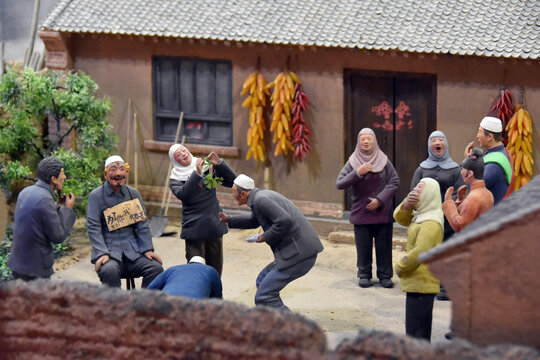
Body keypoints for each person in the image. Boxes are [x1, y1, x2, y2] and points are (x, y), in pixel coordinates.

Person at [218, 174, 324, 310]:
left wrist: (265, 236)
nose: (233, 196)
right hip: (298, 251)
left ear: (243, 194)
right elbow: (254, 221)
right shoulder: (259, 197)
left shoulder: (260, 200)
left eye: (234, 193)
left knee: (264, 296)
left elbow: (284, 221)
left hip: (300, 255)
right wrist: (229, 219)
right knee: (262, 280)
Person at [86, 155, 163, 288]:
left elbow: (142, 224)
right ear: (105, 174)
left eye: (122, 169)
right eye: (113, 169)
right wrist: (101, 253)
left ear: (126, 173)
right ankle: (117, 307)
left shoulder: (133, 194)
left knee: (155, 269)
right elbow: (93, 227)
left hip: (134, 252)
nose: (118, 173)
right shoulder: (96, 196)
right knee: (109, 271)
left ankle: (143, 305)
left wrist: (147, 249)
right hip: (110, 253)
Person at [336, 128, 399, 288]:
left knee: (384, 246)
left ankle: (385, 275)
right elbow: (340, 183)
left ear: (374, 141)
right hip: (361, 212)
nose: (366, 142)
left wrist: (380, 199)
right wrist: (357, 172)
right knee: (363, 247)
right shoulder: (352, 162)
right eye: (363, 139)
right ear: (359, 142)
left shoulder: (383, 161)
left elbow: (394, 181)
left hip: (382, 212)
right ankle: (364, 274)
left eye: (369, 139)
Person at [410, 130, 465, 300]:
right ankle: (428, 283)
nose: (437, 142)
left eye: (441, 140)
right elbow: (414, 190)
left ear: (446, 144)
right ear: (429, 145)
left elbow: (460, 191)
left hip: (447, 217)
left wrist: (447, 205)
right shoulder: (421, 168)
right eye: (434, 140)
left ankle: (446, 286)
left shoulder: (456, 169)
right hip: (427, 217)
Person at [168, 144, 237, 276]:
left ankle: (216, 295)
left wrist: (220, 164)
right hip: (194, 227)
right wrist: (196, 173)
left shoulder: (206, 167)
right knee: (195, 269)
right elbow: (184, 194)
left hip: (213, 223)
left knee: (215, 269)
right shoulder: (175, 179)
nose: (182, 154)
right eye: (178, 155)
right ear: (175, 160)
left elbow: (233, 181)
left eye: (183, 150)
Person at [7, 157, 76, 281]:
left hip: (18, 263)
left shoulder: (26, 191)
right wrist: (67, 210)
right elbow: (58, 236)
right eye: (62, 173)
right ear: (53, 179)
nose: (64, 177)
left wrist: (58, 206)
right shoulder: (45, 199)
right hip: (35, 268)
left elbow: (36, 217)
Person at [393, 178, 444, 342]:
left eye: (420, 187)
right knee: (413, 330)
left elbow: (421, 251)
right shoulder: (421, 215)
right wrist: (406, 204)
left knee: (418, 332)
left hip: (423, 282)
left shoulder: (431, 222)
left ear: (429, 193)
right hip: (416, 281)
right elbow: (400, 218)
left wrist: (401, 265)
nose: (415, 189)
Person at [443, 148, 494, 233]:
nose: (461, 172)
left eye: (463, 169)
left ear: (469, 173)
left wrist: (448, 202)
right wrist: (460, 200)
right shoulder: (487, 193)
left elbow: (459, 225)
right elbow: (470, 215)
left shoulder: (474, 197)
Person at [464, 116, 511, 204]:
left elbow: (473, 187)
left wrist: (468, 163)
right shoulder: (502, 152)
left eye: (480, 132)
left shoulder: (494, 166)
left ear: (489, 137)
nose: (477, 136)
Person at [147, 256, 222, 299]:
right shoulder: (210, 270)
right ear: (203, 264)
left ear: (189, 263)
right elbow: (217, 300)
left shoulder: (172, 269)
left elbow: (150, 288)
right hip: (194, 306)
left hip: (167, 301)